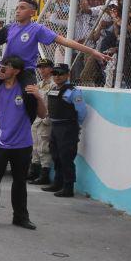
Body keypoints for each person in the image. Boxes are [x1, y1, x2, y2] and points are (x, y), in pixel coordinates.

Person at [0, 0, 110, 81]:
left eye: (22, 8)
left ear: (32, 12)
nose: (17, 11)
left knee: (29, 99)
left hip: (25, 72)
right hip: (4, 68)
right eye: (17, 8)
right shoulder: (9, 28)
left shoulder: (37, 29)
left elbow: (65, 41)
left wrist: (93, 51)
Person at [0, 55, 47, 229]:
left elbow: (43, 115)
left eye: (7, 66)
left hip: (22, 145)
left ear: (16, 71)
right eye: (1, 65)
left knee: (20, 182)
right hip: (0, 144)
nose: (2, 68)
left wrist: (39, 97)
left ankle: (20, 217)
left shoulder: (26, 91)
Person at [41, 62, 88, 198]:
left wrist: (74, 125)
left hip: (67, 127)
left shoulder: (73, 92)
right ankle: (57, 183)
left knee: (66, 157)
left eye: (60, 73)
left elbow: (82, 111)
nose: (57, 76)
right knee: (55, 155)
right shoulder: (54, 89)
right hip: (55, 127)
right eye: (54, 73)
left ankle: (68, 187)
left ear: (68, 75)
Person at [28, 59, 55, 185]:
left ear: (51, 68)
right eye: (40, 67)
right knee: (35, 146)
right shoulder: (39, 84)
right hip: (37, 119)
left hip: (46, 119)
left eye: (45, 67)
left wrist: (47, 119)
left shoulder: (54, 84)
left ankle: (44, 174)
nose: (42, 70)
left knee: (44, 147)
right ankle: (34, 171)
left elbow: (52, 105)